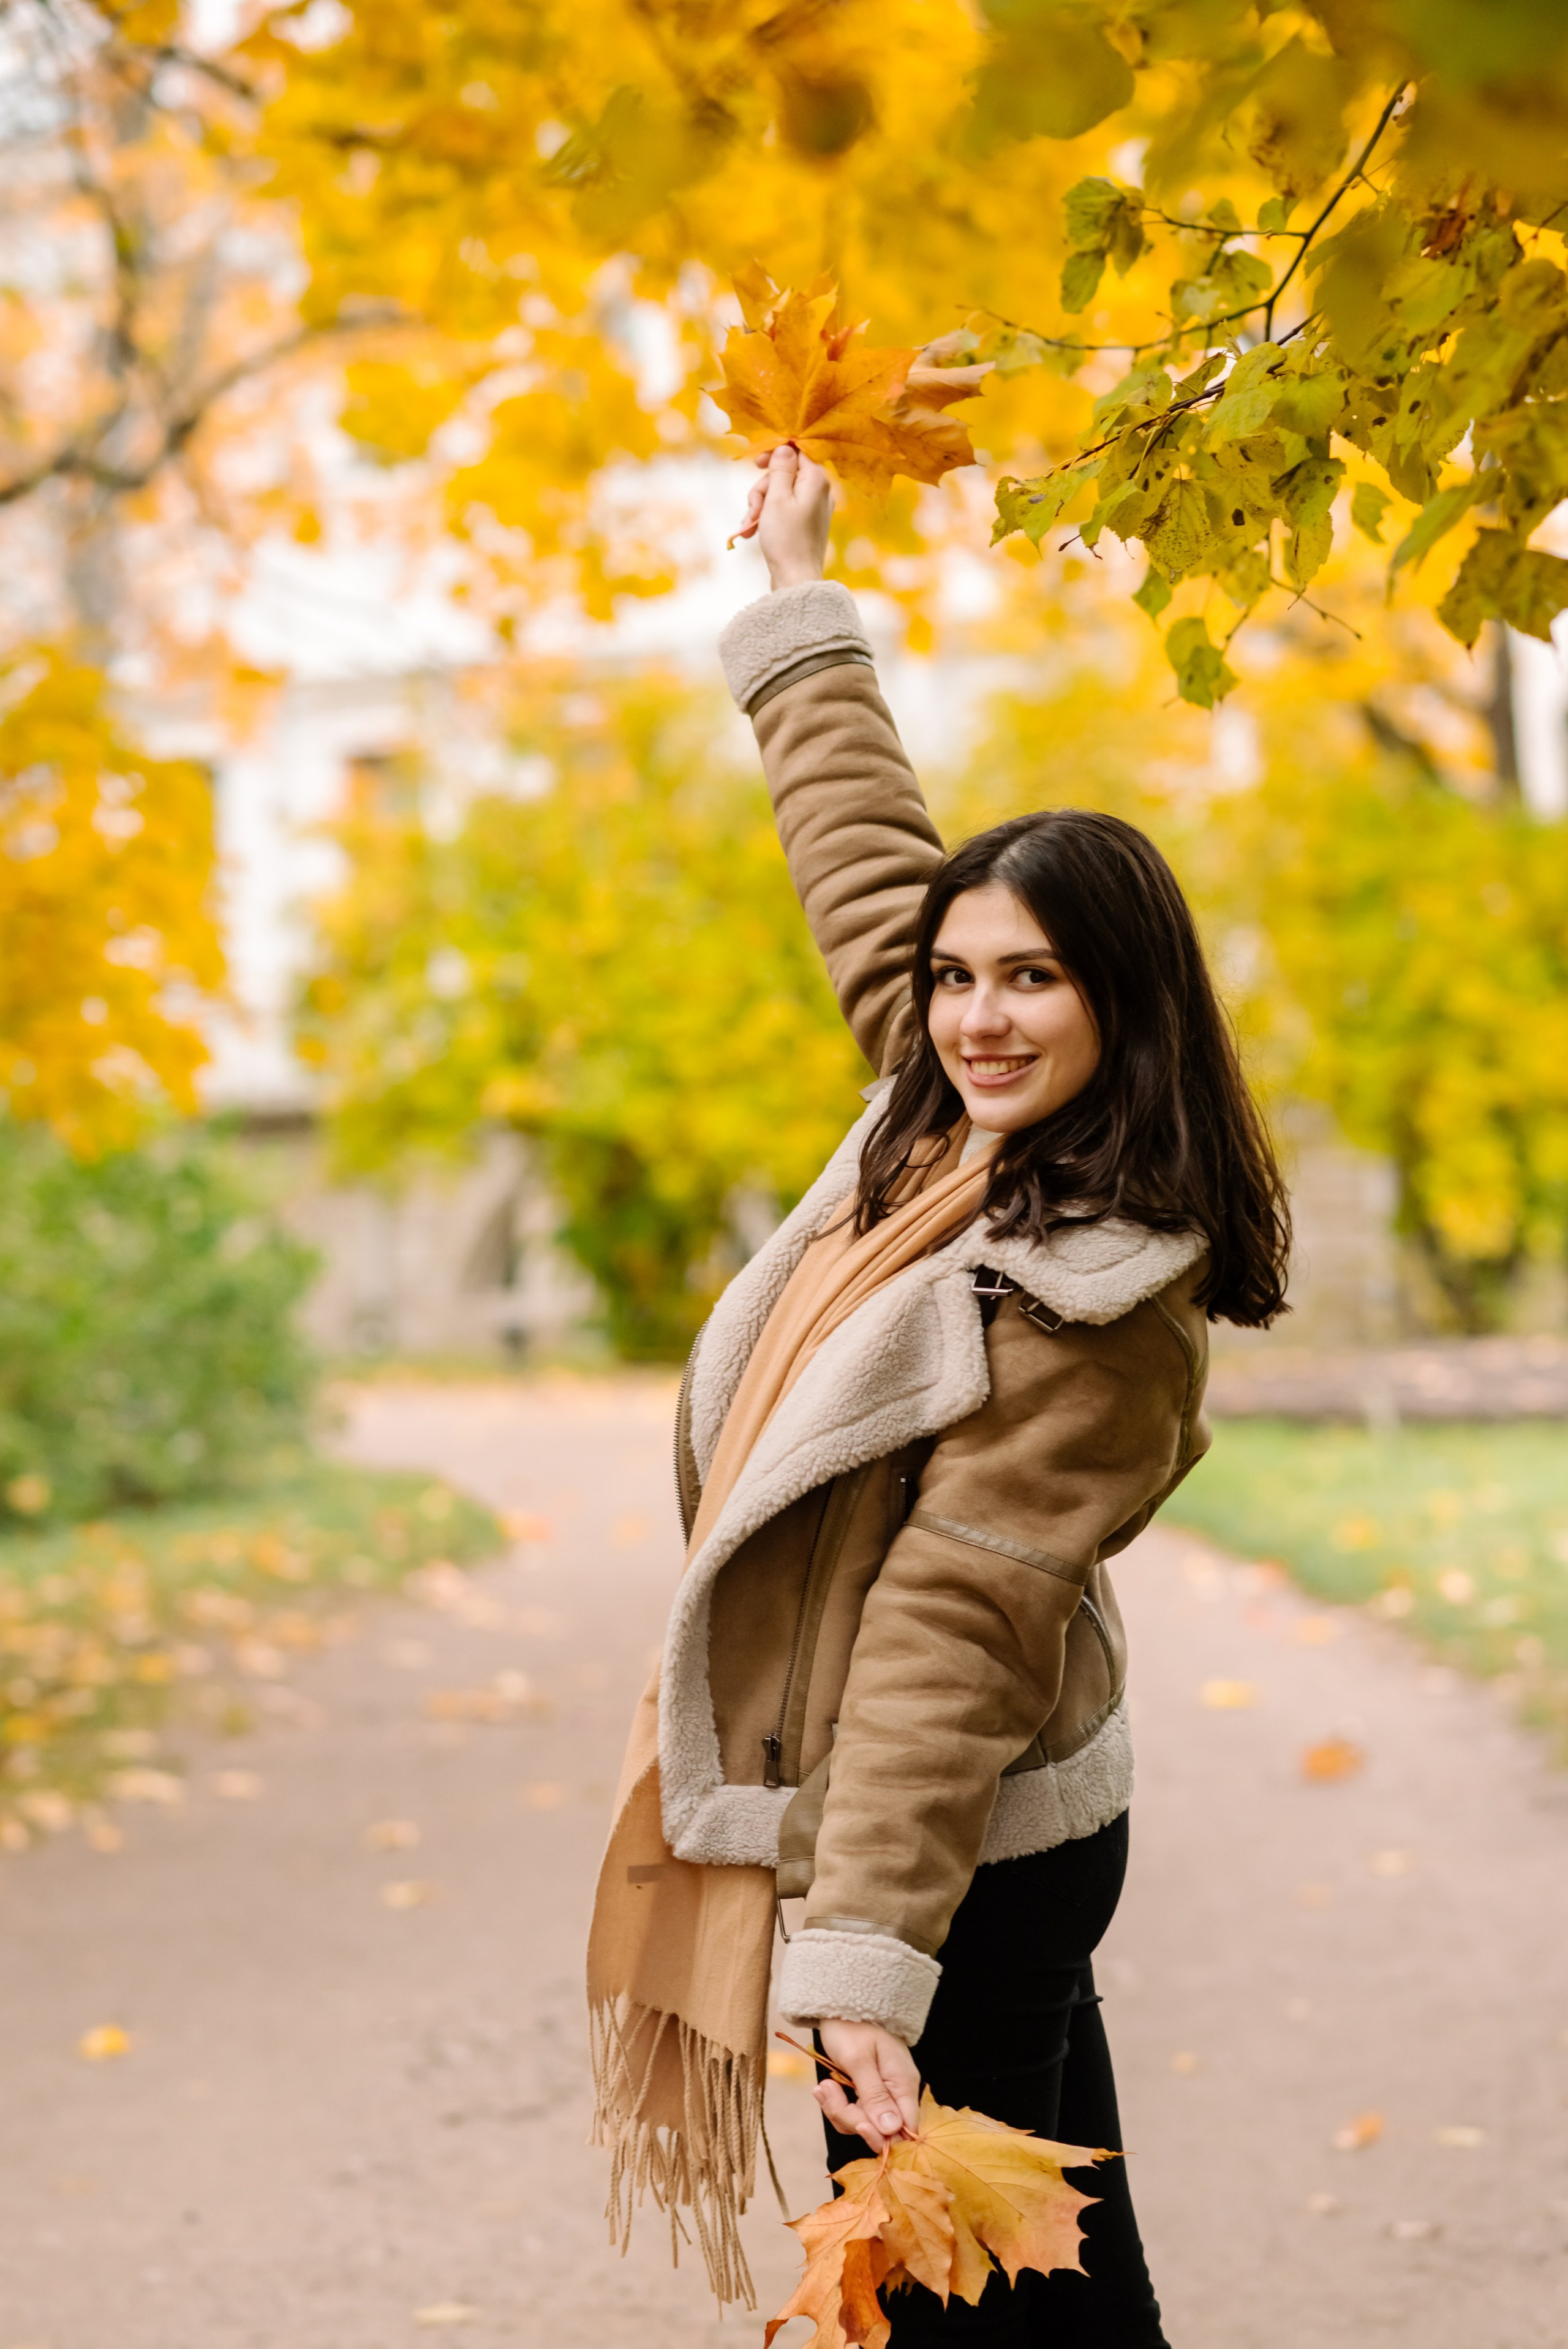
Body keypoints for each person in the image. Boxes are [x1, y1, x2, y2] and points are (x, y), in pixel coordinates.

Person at [587, 444, 1290, 2341]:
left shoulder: (1092, 1294)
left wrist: (862, 1961)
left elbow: (950, 1629)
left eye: (1033, 978)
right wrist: (796, 601)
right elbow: (864, 856)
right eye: (960, 974)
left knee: (958, 2302)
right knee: (1059, 2271)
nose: (978, 1013)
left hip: (960, 1861)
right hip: (972, 1843)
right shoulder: (953, 1129)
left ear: (1121, 1005)